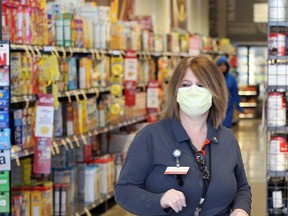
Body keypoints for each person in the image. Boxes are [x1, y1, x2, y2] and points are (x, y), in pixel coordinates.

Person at [114, 56, 252, 216]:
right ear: (175, 91)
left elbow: (242, 187)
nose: (193, 91)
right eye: (186, 85)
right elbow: (124, 191)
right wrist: (159, 200)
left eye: (201, 85)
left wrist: (241, 209)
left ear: (215, 92)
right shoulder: (150, 137)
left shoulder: (227, 138)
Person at [216, 56, 244, 128]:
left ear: (227, 66)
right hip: (216, 108)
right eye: (220, 65)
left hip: (228, 108)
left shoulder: (231, 78)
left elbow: (235, 93)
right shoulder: (214, 78)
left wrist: (238, 107)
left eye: (224, 65)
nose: (222, 67)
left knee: (226, 128)